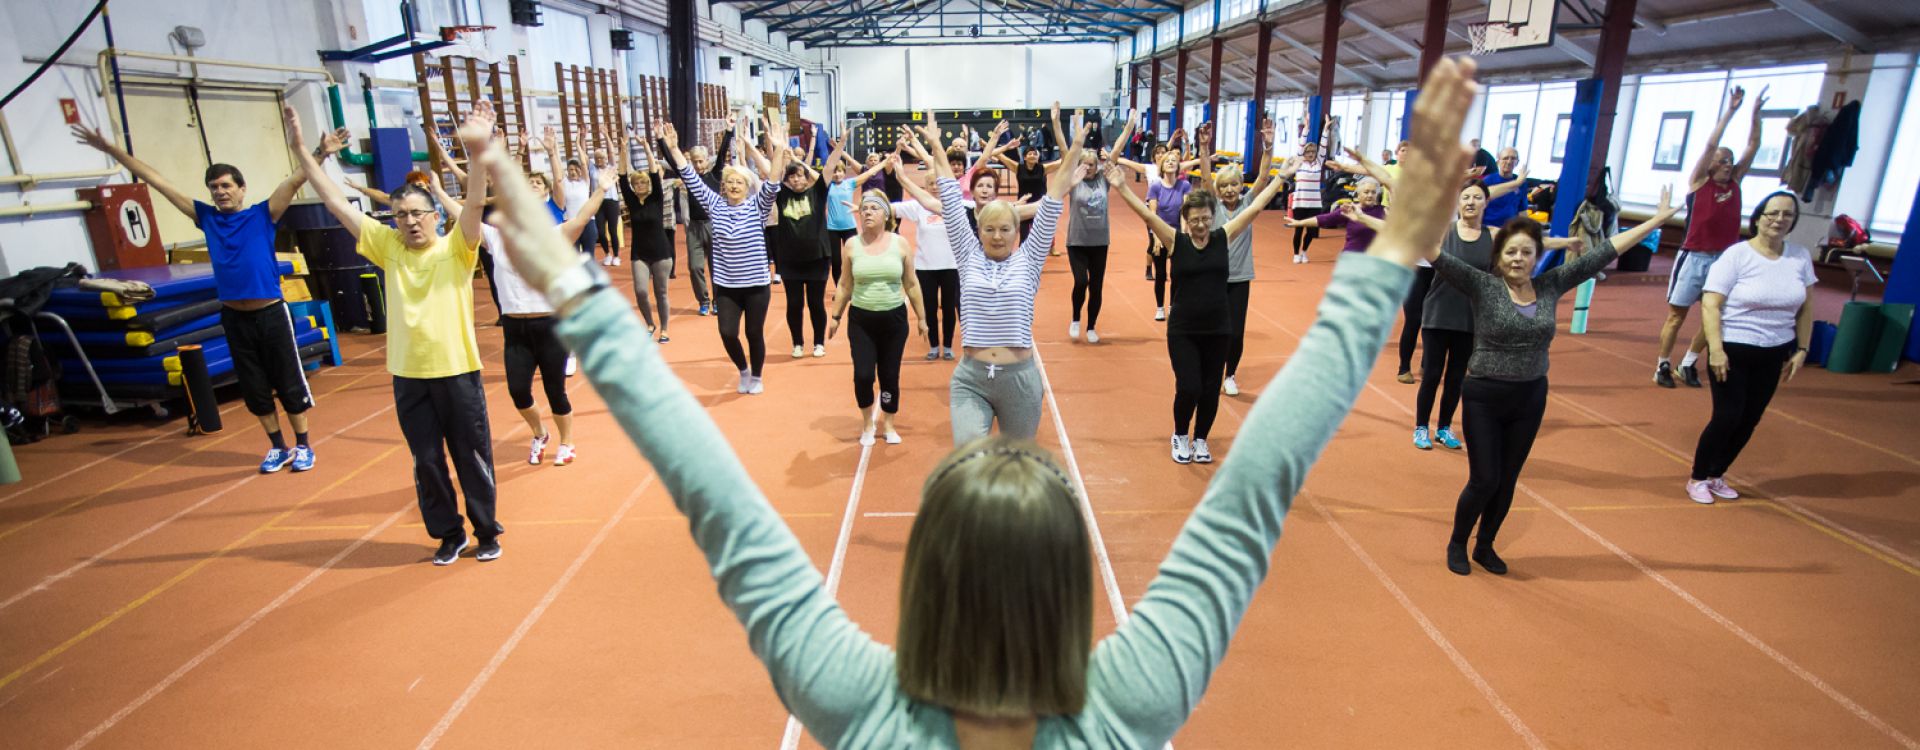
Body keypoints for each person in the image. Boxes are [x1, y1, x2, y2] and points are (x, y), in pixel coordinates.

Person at [471, 55, 1480, 747]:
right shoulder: (1129, 703)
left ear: (923, 583)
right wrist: (1391, 252)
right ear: (1070, 592)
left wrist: (572, 285)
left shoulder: (856, 704)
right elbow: (1260, 482)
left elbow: (709, 486)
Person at [1413, 190, 1677, 575]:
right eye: (1510, 252)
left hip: (1529, 396)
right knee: (1484, 478)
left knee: (1507, 480)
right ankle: (1457, 541)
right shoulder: (1481, 285)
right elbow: (1434, 252)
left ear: (1537, 256)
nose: (1518, 259)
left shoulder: (1552, 285)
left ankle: (1485, 546)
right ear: (1498, 257)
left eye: (1526, 252)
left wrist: (1655, 221)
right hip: (1484, 394)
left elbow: (1601, 253)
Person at [71, 118, 349, 474]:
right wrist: (112, 150)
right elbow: (159, 182)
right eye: (213, 187)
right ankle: (278, 448)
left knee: (289, 382)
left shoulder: (263, 214)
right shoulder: (206, 218)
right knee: (254, 387)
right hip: (235, 318)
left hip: (271, 314)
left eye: (226, 185)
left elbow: (296, 179)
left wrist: (320, 153)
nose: (219, 192)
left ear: (242, 189)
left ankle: (304, 445)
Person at [292, 103, 501, 565]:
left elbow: (473, 201)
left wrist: (481, 146)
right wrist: (304, 154)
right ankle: (450, 535)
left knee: (472, 457)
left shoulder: (457, 249)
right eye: (400, 214)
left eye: (417, 213)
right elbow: (334, 201)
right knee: (426, 462)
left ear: (434, 215)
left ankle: (486, 530)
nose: (408, 221)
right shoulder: (388, 249)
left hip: (458, 372)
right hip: (409, 376)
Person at [900, 109, 1089, 443]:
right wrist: (935, 147)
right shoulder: (967, 252)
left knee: (1014, 466)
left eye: (1005, 229)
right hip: (971, 378)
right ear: (980, 229)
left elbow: (1053, 200)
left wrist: (1073, 149)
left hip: (1019, 379)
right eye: (989, 229)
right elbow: (946, 186)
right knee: (970, 458)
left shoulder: (1028, 260)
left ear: (1017, 231)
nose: (997, 236)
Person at [1113, 132, 1288, 464]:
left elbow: (1258, 206)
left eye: (1206, 219)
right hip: (1183, 329)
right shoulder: (1176, 241)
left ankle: (1202, 439)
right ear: (1186, 220)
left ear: (1212, 217)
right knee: (1189, 386)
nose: (1201, 225)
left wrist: (1281, 175)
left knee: (1210, 390)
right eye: (1195, 221)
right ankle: (1180, 434)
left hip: (1218, 328)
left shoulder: (1223, 236)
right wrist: (1122, 187)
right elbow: (1148, 217)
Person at [482, 166, 614, 468]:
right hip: (515, 327)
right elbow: (465, 217)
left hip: (550, 325)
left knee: (555, 390)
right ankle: (539, 433)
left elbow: (581, 218)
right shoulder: (496, 237)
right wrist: (439, 193)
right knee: (518, 390)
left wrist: (602, 189)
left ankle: (566, 441)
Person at [1688, 191, 1813, 504]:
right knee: (1727, 415)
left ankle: (1718, 473)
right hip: (1734, 349)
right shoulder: (1737, 256)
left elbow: (1807, 308)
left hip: (1774, 350)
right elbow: (1711, 304)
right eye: (1773, 213)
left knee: (1750, 418)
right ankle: (1698, 477)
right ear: (1758, 217)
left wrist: (1802, 349)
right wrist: (1715, 349)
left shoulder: (1799, 257)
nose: (1779, 220)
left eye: (1787, 214)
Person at [1411, 174, 1543, 451]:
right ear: (1458, 203)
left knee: (1458, 376)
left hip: (1472, 317)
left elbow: (1521, 252)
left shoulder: (1494, 237)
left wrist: (1566, 244)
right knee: (1433, 374)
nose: (1471, 202)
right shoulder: (1442, 231)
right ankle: (1421, 427)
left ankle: (1444, 428)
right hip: (1438, 312)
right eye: (1466, 197)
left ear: (1486, 203)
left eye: (1477, 197)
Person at [657, 117, 786, 394]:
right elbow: (689, 177)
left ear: (747, 185)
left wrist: (778, 150)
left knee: (753, 333)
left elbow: (774, 182)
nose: (734, 186)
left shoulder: (757, 207)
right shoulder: (715, 204)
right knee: (727, 332)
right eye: (730, 182)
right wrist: (675, 149)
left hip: (756, 285)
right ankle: (743, 369)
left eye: (740, 182)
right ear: (724, 186)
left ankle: (757, 376)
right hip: (727, 285)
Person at [1657, 86, 1769, 389]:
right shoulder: (1698, 183)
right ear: (1710, 165)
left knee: (1714, 317)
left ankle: (1688, 363)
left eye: (1730, 160)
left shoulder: (1736, 183)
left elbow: (1754, 144)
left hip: (1725, 260)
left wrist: (1755, 114)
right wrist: (1731, 111)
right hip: (1694, 256)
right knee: (1676, 316)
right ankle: (1662, 365)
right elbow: (1710, 143)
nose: (1728, 164)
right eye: (1722, 160)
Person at [827, 193, 930, 445]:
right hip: (861, 320)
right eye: (864, 209)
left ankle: (890, 424)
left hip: (893, 320)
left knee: (889, 374)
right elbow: (844, 284)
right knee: (863, 375)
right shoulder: (852, 245)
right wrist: (835, 316)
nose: (867, 213)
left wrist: (922, 318)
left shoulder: (900, 244)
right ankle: (866, 425)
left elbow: (912, 283)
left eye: (874, 208)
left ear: (886, 215)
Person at [1201, 117, 1285, 397]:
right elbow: (1203, 176)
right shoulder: (1212, 206)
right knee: (1213, 329)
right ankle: (1209, 369)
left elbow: (1262, 178)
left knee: (1236, 332)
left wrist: (1268, 146)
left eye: (1234, 185)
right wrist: (1203, 148)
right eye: (1224, 185)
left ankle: (1230, 374)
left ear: (1239, 186)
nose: (1229, 190)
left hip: (1240, 277)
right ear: (1218, 188)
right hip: (1214, 276)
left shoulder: (1248, 204)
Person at [890, 157, 961, 361]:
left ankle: (947, 345)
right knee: (928, 308)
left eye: (939, 184)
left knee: (949, 308)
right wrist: (865, 205)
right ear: (926, 186)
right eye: (931, 184)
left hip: (950, 265)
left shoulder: (955, 205)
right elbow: (892, 207)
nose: (935, 188)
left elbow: (981, 206)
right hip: (925, 267)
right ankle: (933, 345)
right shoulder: (917, 206)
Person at [772, 150, 834, 358]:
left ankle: (818, 343)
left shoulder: (817, 192)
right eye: (792, 176)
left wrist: (841, 143)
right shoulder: (782, 195)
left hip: (817, 258)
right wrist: (776, 149)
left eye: (800, 175)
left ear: (806, 177)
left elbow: (829, 168)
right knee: (795, 304)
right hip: (790, 260)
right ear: (787, 180)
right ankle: (797, 343)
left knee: (816, 304)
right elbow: (768, 171)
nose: (796, 179)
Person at [683, 114, 740, 317]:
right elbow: (673, 161)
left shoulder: (715, 174)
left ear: (707, 160)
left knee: (716, 267)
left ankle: (717, 300)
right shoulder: (689, 177)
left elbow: (723, 151)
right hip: (694, 227)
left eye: (701, 161)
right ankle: (704, 301)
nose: (698, 165)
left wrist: (729, 130)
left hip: (714, 225)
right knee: (695, 267)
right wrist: (661, 140)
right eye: (694, 161)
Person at [619, 137, 675, 343]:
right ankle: (650, 323)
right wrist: (623, 150)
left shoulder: (656, 198)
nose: (640, 184)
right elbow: (622, 176)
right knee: (641, 291)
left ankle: (665, 329)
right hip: (639, 253)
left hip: (661, 252)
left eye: (643, 182)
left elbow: (653, 171)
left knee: (661, 293)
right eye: (637, 183)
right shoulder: (632, 201)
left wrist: (646, 148)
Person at [1286, 137, 1329, 265]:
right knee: (1298, 230)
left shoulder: (1318, 163)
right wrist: (1305, 129)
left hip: (1315, 204)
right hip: (1299, 203)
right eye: (1308, 152)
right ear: (1304, 153)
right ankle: (1296, 254)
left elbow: (1323, 148)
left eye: (1313, 152)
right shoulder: (1299, 163)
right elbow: (1300, 147)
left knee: (1311, 231)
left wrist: (1326, 129)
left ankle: (1304, 251)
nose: (1310, 154)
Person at [590, 135, 625, 267]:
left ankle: (616, 256)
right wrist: (581, 138)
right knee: (600, 231)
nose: (600, 160)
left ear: (606, 159)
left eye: (602, 157)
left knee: (612, 230)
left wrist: (606, 136)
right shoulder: (592, 169)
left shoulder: (611, 167)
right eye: (597, 158)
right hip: (598, 202)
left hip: (611, 201)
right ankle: (607, 254)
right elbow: (582, 154)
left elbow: (611, 151)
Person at [1480, 148, 1528, 229]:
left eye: (1513, 158)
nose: (1509, 162)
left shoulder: (1522, 183)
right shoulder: (1487, 181)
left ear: (1517, 162)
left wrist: (1526, 229)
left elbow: (1522, 210)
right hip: (1488, 227)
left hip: (1510, 229)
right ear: (1498, 162)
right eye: (1505, 158)